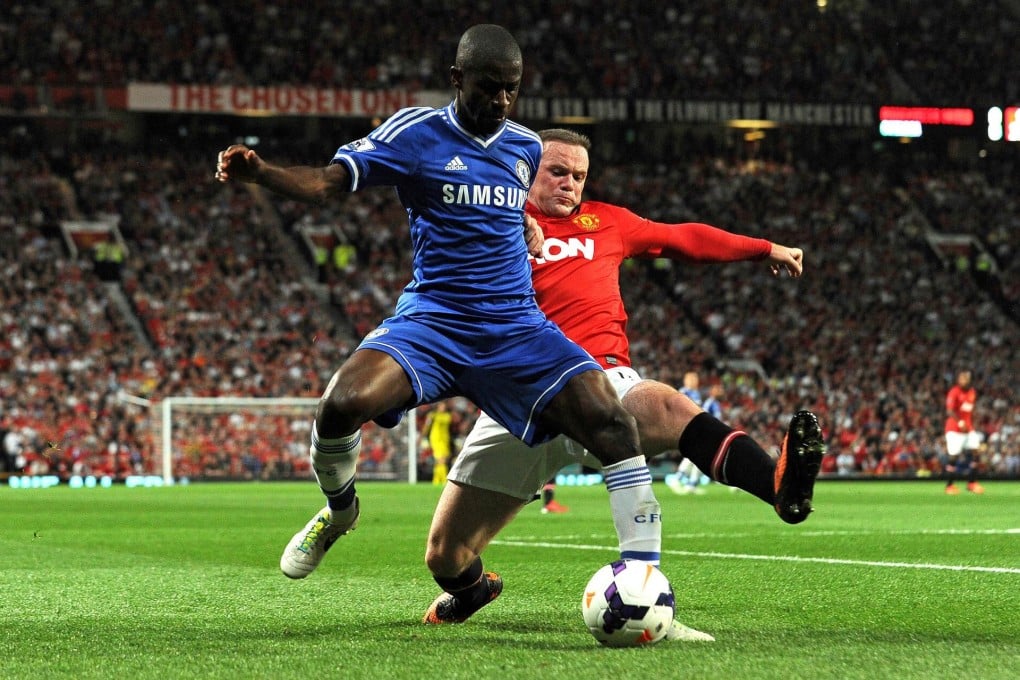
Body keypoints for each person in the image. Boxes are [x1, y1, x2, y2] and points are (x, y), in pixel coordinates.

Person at [215, 25, 664, 613]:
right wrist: (263, 174)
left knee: (611, 420)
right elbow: (329, 184)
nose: (500, 101)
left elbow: (510, 210)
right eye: (488, 88)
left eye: (511, 90)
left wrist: (525, 227)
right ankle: (340, 511)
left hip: (513, 326)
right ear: (457, 80)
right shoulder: (415, 133)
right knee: (340, 405)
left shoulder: (526, 147)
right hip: (434, 321)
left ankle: (645, 581)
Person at [424, 128, 826, 641]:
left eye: (579, 175)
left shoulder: (607, 222)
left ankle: (778, 487)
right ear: (527, 169)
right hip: (518, 396)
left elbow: (683, 238)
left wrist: (763, 247)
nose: (570, 184)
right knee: (446, 555)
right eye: (558, 172)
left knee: (662, 405)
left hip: (600, 379)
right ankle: (475, 590)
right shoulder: (495, 225)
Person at [943, 370, 984, 494]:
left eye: (964, 379)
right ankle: (949, 486)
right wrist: (960, 422)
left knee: (977, 452)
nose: (962, 381)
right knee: (954, 457)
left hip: (968, 429)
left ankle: (972, 483)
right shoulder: (954, 392)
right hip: (954, 429)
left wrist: (972, 424)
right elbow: (949, 411)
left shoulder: (972, 392)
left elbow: (970, 410)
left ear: (969, 380)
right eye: (960, 379)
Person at [669, 371, 708, 494]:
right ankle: (678, 478)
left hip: (696, 425)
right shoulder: (683, 392)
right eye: (692, 379)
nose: (695, 381)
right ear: (687, 380)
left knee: (700, 455)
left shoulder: (696, 393)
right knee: (695, 454)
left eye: (696, 379)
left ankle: (691, 483)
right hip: (686, 426)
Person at [422, 401, 454, 486]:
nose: (443, 408)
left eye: (444, 406)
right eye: (441, 406)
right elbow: (427, 427)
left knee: (440, 461)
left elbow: (449, 425)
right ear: (438, 406)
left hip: (445, 440)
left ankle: (436, 481)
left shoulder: (447, 416)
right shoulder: (432, 415)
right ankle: (444, 480)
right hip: (436, 439)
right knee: (441, 460)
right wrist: (423, 437)